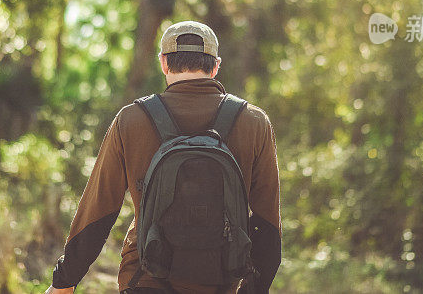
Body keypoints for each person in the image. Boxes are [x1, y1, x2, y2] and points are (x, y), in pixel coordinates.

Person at [45, 21, 281, 293]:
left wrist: (65, 280)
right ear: (215, 66)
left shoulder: (131, 120)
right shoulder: (254, 122)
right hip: (219, 281)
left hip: (144, 279)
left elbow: (99, 210)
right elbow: (268, 224)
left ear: (164, 63)